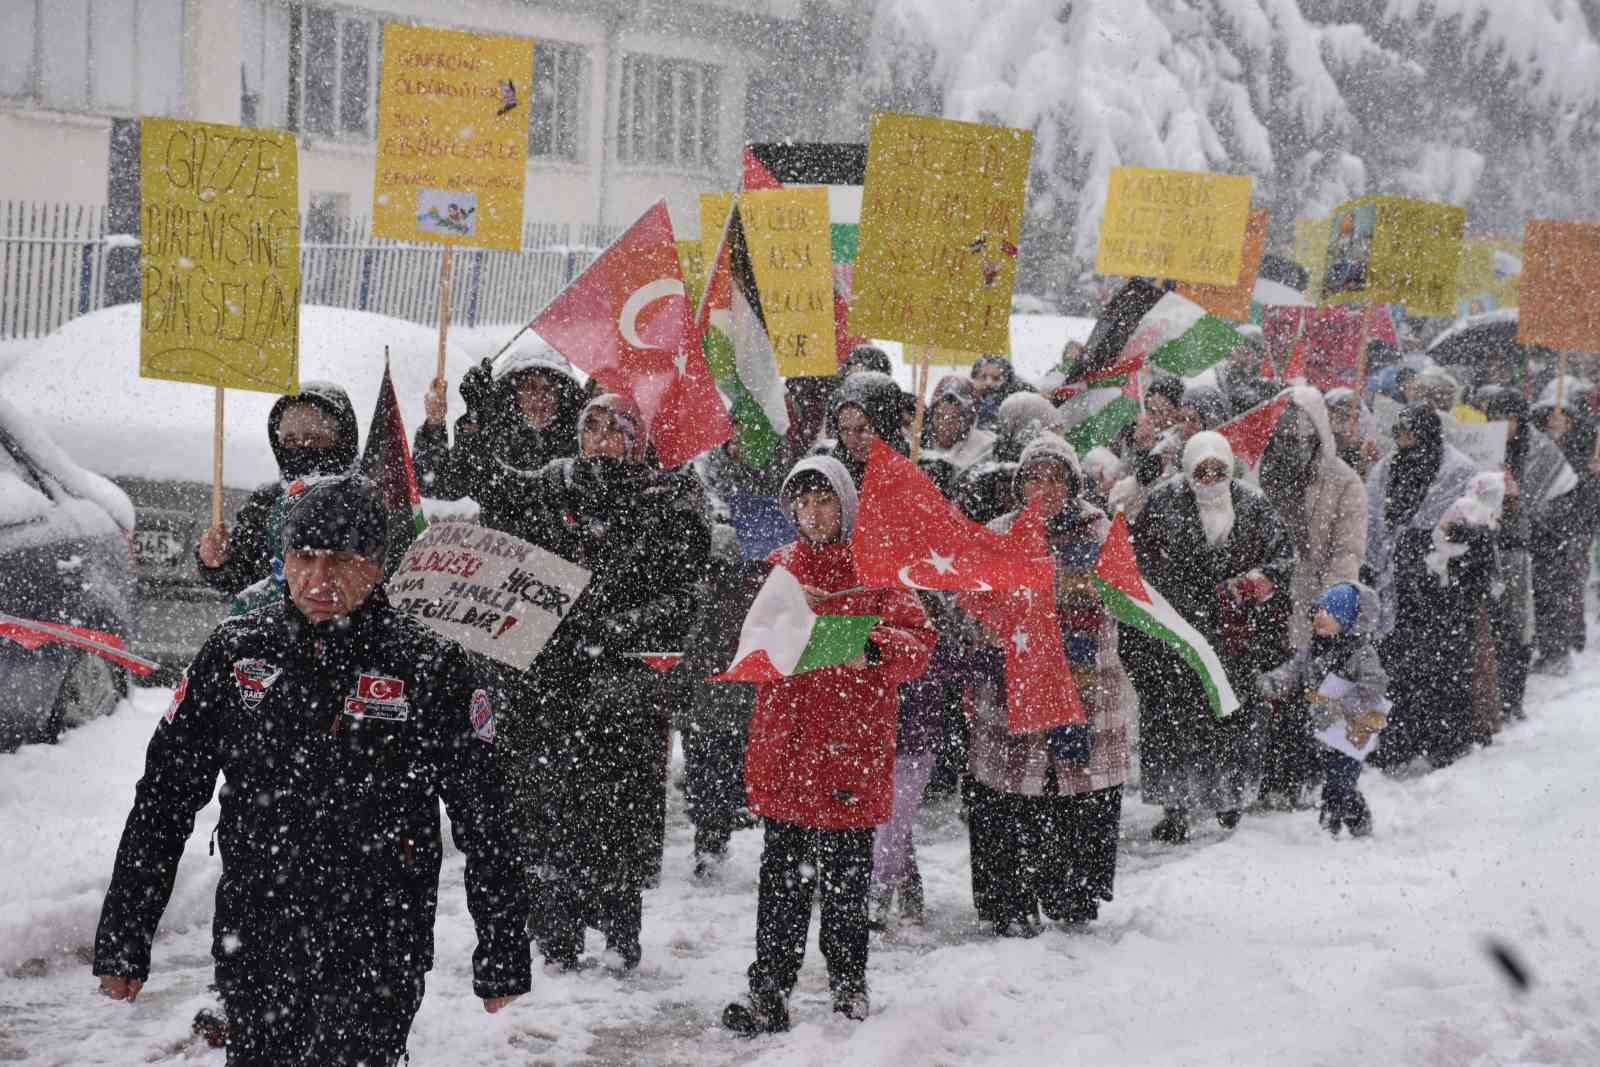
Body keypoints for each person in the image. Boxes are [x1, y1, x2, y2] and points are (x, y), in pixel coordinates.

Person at [94, 474, 530, 1066]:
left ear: (377, 565)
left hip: (380, 937)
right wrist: (124, 939)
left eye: (343, 560)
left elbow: (486, 818)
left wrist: (502, 949)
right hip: (258, 931)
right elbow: (165, 799)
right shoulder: (239, 652)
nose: (320, 579)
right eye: (304, 557)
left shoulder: (429, 664)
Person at [722, 456, 935, 1034]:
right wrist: (791, 611)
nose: (813, 514)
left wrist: (864, 638)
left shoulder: (878, 569)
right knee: (782, 878)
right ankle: (769, 987)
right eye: (804, 503)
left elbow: (917, 646)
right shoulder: (779, 568)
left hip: (851, 745)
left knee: (845, 878)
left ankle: (848, 983)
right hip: (788, 743)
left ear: (846, 505)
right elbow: (750, 643)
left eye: (825, 501)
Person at [510, 394, 711, 971]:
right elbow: (498, 514)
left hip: (625, 689)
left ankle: (620, 935)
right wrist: (482, 418)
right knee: (550, 812)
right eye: (589, 427)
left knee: (617, 814)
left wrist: (610, 628)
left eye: (613, 428)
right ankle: (556, 936)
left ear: (637, 436)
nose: (599, 439)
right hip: (551, 684)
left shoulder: (667, 497)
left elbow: (683, 598)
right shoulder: (554, 485)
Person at [965, 437, 1129, 934]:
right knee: (1011, 797)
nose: (1045, 489)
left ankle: (1072, 897)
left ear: (1074, 484)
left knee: (1077, 795)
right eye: (1034, 478)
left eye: (1056, 478)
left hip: (1085, 688)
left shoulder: (1101, 533)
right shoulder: (998, 534)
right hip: (1012, 689)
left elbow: (1126, 600)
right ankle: (1008, 902)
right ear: (1019, 484)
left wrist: (1068, 621)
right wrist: (991, 624)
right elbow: (967, 604)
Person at [1125, 431, 1294, 842]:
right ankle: (1174, 805)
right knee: (1173, 719)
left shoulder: (1254, 503)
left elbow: (1284, 555)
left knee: (1230, 715)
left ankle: (1229, 797)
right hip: (1177, 632)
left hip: (1235, 634)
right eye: (1203, 469)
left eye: (1220, 467)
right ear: (1188, 468)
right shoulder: (1163, 503)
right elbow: (1142, 562)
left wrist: (1257, 581)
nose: (1212, 475)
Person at [1256, 387, 1368, 808]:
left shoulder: (1342, 481)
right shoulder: (1261, 473)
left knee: (1320, 690)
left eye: (1301, 438)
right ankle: (1275, 775)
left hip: (1317, 599)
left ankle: (1317, 778)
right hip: (1270, 596)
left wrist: (1332, 604)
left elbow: (1348, 550)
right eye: (1284, 438)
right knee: (1274, 689)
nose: (1292, 448)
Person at [1365, 405, 1485, 769]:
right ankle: (1397, 743)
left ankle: (1443, 741)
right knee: (1397, 666)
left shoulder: (1458, 471)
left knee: (1441, 664)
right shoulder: (1386, 470)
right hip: (1396, 586)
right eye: (1398, 432)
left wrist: (1437, 544)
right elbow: (1373, 522)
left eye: (1409, 433)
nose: (1402, 440)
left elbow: (1475, 524)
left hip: (1440, 586)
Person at [196, 383, 360, 598]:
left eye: (313, 438)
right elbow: (242, 577)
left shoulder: (367, 500)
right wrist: (217, 562)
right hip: (275, 628)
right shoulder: (267, 501)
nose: (302, 447)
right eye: (290, 440)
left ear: (342, 440)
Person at [414, 338, 587, 531]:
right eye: (530, 387)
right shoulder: (496, 440)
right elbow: (436, 483)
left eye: (549, 388)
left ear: (562, 395)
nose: (539, 398)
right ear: (514, 393)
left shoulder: (580, 446)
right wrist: (436, 424)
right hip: (494, 557)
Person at [1259, 582, 1389, 837]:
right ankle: (1354, 818)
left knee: (1338, 784)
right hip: (1322, 731)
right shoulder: (1313, 649)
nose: (1320, 616)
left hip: (1350, 733)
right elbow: (1292, 672)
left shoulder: (1360, 653)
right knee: (1336, 782)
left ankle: (1330, 830)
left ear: (1347, 620)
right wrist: (1267, 683)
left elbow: (1374, 686)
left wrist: (1341, 705)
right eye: (1318, 610)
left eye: (1329, 613)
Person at [956, 392, 1063, 524]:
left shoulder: (985, 463)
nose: (1059, 441)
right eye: (1052, 432)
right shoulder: (999, 480)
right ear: (1030, 430)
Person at [921, 374, 997, 476]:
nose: (944, 425)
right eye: (939, 416)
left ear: (968, 421)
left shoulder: (984, 449)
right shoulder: (918, 444)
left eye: (953, 419)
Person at [971, 354, 1033, 431]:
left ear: (1008, 382)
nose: (989, 382)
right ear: (973, 379)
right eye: (983, 377)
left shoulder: (1015, 407)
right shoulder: (962, 403)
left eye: (996, 378)